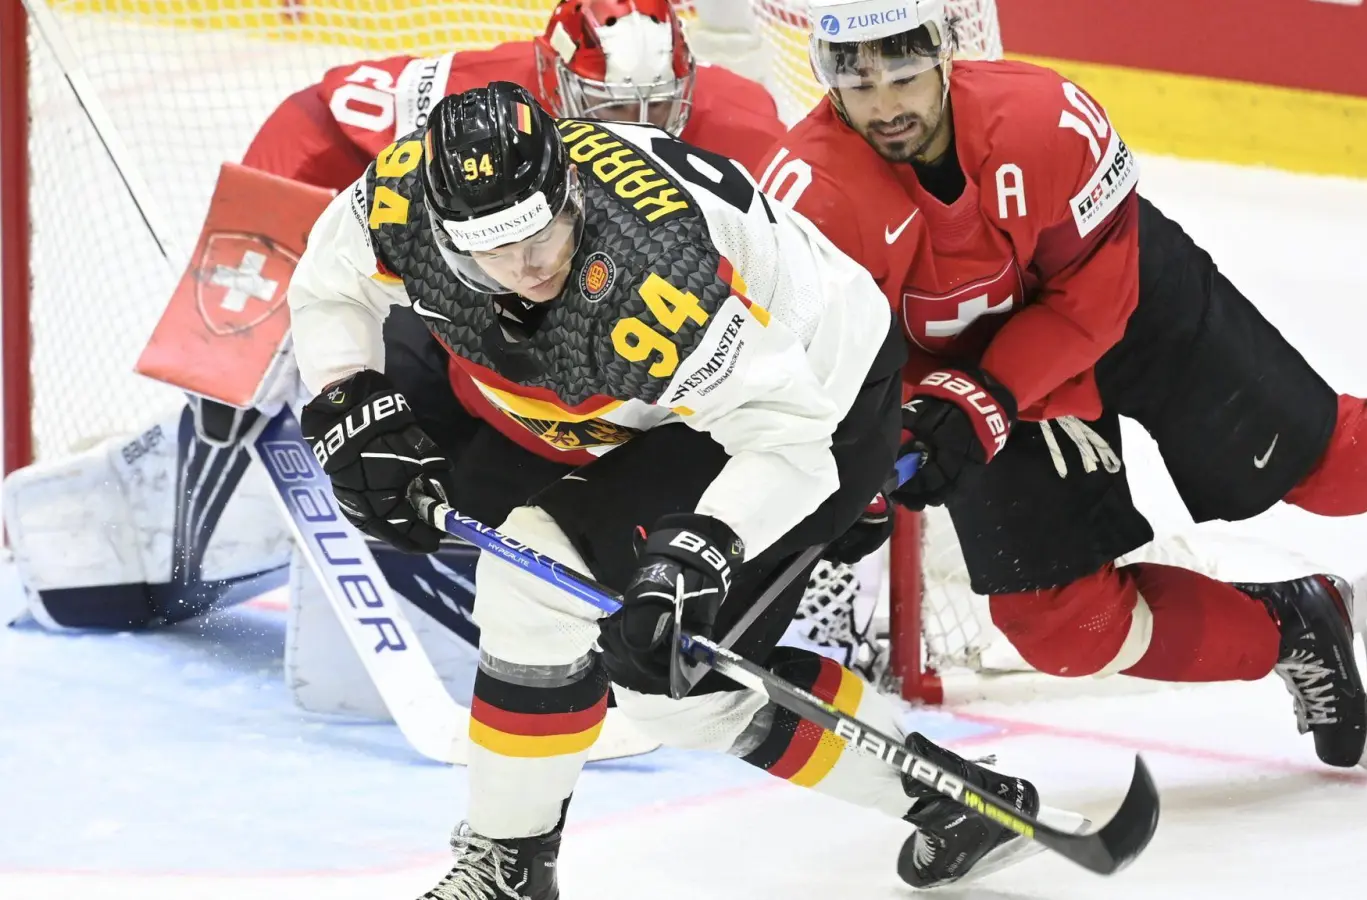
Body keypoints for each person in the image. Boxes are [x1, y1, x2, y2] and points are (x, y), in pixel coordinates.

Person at [758, 0, 1367, 772]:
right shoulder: (806, 196)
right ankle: (1299, 629)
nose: (884, 103)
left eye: (902, 72)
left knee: (1332, 465)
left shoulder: (1044, 119)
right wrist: (868, 455)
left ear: (944, 52)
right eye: (855, 77)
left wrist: (982, 398)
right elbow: (837, 360)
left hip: (1114, 312)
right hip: (961, 377)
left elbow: (1097, 297)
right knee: (1060, 626)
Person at [287, 81, 1055, 899]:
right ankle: (513, 866)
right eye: (491, 250)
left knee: (647, 673)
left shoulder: (655, 275)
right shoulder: (402, 199)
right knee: (599, 640)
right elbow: (329, 282)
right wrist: (345, 400)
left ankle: (953, 801)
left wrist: (703, 546)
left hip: (816, 400)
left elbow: (789, 443)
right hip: (673, 406)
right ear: (440, 229)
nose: (525, 269)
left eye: (540, 235)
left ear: (568, 187)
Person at [243, 0, 785, 190]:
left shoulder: (745, 120)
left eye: (659, 103)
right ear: (554, 80)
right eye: (612, 105)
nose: (637, 128)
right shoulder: (490, 95)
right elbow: (314, 117)